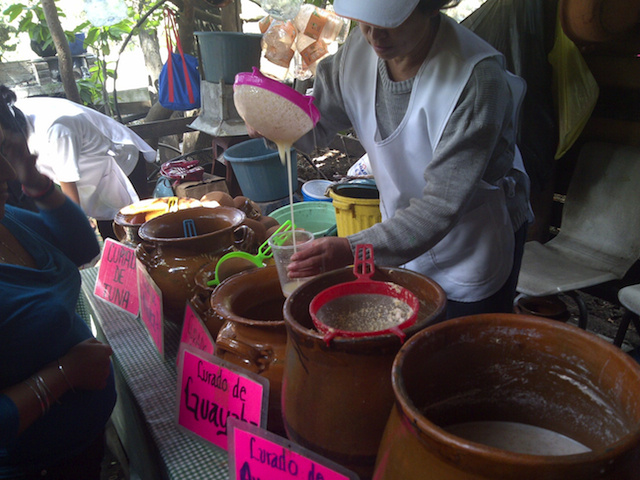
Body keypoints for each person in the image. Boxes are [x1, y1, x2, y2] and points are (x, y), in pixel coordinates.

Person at [284, 0, 534, 318]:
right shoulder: (358, 52)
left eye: (390, 22)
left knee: (462, 356)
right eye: (365, 22)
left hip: (470, 246)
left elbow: (441, 207)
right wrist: (272, 116)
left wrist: (352, 249)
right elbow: (315, 122)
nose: (374, 36)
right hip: (401, 236)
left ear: (431, 7)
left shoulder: (475, 80)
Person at [0, 85, 116, 479]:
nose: (5, 170)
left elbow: (82, 248)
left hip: (79, 450)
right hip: (33, 467)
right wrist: (66, 375)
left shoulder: (8, 221)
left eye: (5, 151)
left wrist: (32, 177)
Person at [14, 94, 156, 241]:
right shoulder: (10, 115)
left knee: (138, 227)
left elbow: (70, 193)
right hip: (91, 170)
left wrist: (75, 230)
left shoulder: (57, 131)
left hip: (120, 164)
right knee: (110, 231)